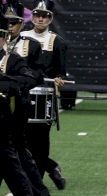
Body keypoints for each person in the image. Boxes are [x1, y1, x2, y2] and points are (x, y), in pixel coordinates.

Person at [2, 1, 51, 195]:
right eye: (6, 22)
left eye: (14, 22)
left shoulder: (31, 45)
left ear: (22, 23)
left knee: (21, 151)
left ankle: (39, 191)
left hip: (18, 106)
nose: (10, 26)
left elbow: (37, 74)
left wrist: (13, 84)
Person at [21, 0, 67, 190]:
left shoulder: (58, 41)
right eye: (37, 15)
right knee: (21, 142)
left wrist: (58, 80)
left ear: (50, 18)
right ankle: (51, 166)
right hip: (20, 94)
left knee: (40, 141)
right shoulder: (20, 37)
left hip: (43, 96)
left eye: (45, 15)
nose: (41, 18)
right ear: (32, 17)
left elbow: (60, 71)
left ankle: (36, 181)